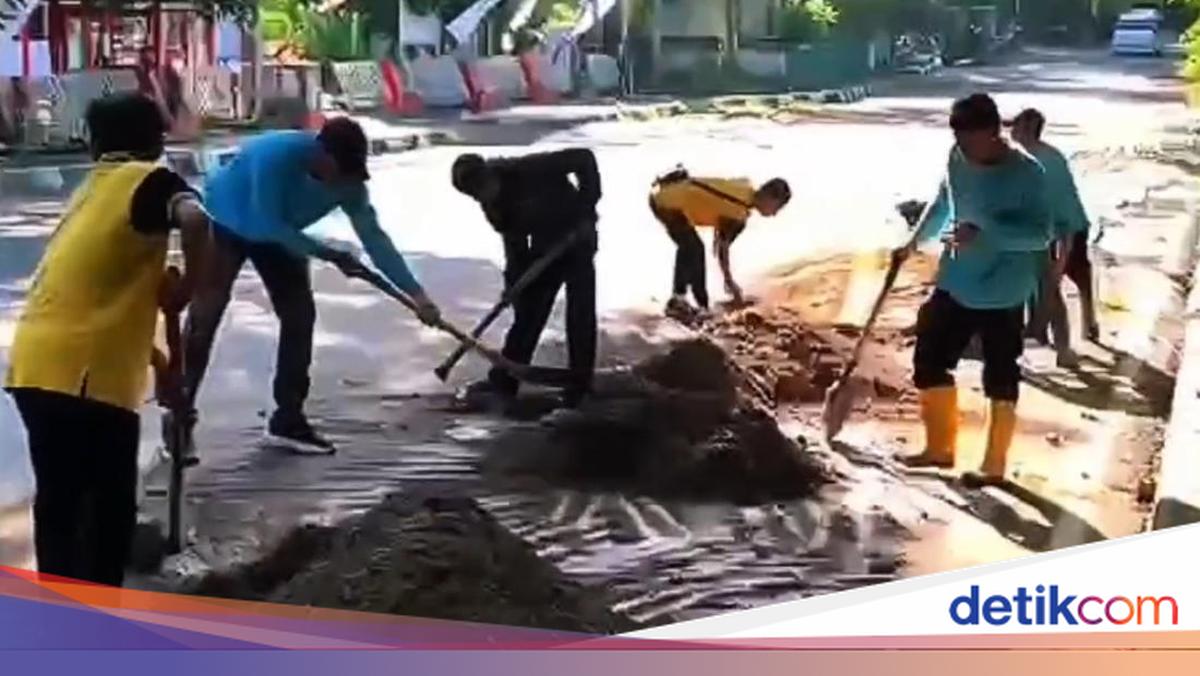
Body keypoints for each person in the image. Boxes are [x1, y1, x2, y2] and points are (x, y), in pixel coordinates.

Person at [4, 93, 213, 586]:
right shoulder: (150, 180)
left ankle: (61, 613)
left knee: (60, 503)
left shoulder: (92, 189)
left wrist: (160, 365)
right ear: (155, 140)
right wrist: (188, 287)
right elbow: (197, 219)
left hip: (35, 365)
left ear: (95, 143)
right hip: (86, 377)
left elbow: (98, 296)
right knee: (106, 515)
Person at [184, 118, 442, 454]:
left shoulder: (349, 182)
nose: (342, 180)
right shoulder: (276, 155)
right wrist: (330, 254)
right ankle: (179, 415)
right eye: (339, 169)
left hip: (281, 232)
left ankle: (288, 420)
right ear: (321, 152)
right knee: (205, 318)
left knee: (299, 316)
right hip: (226, 220)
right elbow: (267, 223)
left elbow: (375, 239)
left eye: (350, 172)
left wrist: (418, 296)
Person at [897, 93, 1052, 485]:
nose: (965, 150)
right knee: (929, 357)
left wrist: (987, 233)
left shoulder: (1028, 174)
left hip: (1004, 289)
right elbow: (943, 202)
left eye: (972, 141)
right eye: (960, 141)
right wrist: (913, 242)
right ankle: (940, 448)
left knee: (1000, 373)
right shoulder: (958, 157)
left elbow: (1040, 235)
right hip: (957, 279)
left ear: (995, 132)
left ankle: (994, 465)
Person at [450, 148, 601, 409]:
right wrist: (514, 285)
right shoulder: (494, 207)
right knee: (530, 311)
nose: (484, 195)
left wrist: (586, 208)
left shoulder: (529, 168)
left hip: (577, 237)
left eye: (484, 187)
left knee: (580, 312)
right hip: (544, 246)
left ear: (491, 174)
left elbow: (584, 158)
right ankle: (505, 378)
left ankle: (580, 382)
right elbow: (515, 247)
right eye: (476, 194)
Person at [1008, 107, 1098, 360]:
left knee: (1057, 280)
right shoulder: (1038, 156)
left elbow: (1060, 208)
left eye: (1015, 126)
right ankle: (1050, 332)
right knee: (1048, 281)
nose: (1011, 131)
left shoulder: (1042, 162)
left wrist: (1062, 253)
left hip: (1065, 228)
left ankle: (1066, 340)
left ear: (1027, 130)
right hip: (1046, 229)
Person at [648, 171, 791, 317]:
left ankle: (690, 301)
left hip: (663, 193)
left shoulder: (744, 186)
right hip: (666, 202)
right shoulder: (738, 211)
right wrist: (729, 282)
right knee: (693, 247)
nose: (774, 214)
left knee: (692, 246)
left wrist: (727, 280)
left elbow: (718, 244)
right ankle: (687, 303)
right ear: (769, 197)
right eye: (777, 207)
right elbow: (722, 250)